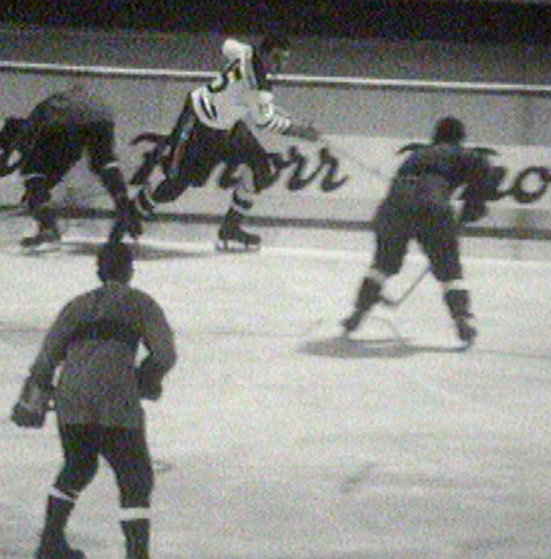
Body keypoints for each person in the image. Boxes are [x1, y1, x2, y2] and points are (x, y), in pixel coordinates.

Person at [11, 241, 177, 559]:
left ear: (98, 270)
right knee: (135, 478)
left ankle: (51, 542)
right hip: (116, 400)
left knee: (78, 466)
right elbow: (164, 353)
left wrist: (34, 396)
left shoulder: (77, 305)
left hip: (71, 399)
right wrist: (147, 379)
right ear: (130, 270)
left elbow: (45, 359)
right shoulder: (141, 303)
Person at [129, 34, 319, 250]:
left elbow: (226, 45)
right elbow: (267, 123)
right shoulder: (259, 87)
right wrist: (303, 132)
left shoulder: (245, 52)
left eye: (284, 59)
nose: (280, 64)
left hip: (227, 126)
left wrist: (235, 89)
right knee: (174, 185)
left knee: (261, 168)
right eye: (276, 58)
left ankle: (230, 228)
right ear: (264, 53)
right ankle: (133, 211)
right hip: (198, 122)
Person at [340, 116, 494, 346]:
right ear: (459, 139)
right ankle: (461, 318)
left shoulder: (416, 154)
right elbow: (483, 167)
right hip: (433, 207)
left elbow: (397, 185)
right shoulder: (463, 154)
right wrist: (472, 209)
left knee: (383, 263)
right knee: (450, 269)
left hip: (393, 208)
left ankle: (359, 310)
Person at [0, 84, 142, 250]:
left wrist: (36, 196)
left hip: (64, 116)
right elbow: (67, 160)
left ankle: (49, 227)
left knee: (32, 171)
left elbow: (26, 166)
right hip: (101, 113)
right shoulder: (43, 123)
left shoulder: (31, 129)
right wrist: (39, 195)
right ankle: (123, 204)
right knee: (103, 162)